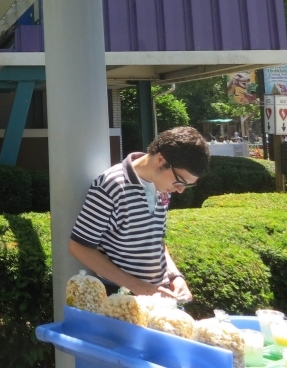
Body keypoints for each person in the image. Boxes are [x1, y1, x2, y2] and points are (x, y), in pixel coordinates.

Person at [69, 126, 210, 300]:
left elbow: (156, 240)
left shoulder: (163, 187)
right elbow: (79, 247)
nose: (180, 190)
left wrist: (175, 276)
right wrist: (138, 287)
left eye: (186, 185)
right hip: (120, 300)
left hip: (157, 295)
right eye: (179, 181)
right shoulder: (111, 185)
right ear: (160, 159)